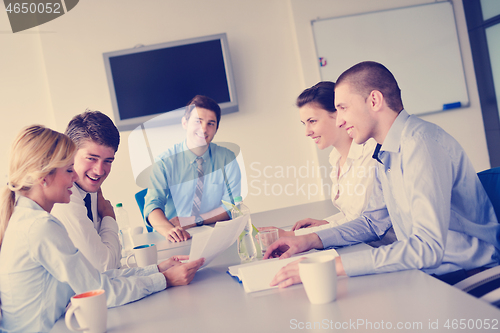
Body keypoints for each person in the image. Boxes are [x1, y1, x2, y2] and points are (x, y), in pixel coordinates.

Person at [264, 61, 500, 287]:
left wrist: (332, 266)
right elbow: (372, 221)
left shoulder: (421, 144)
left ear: (374, 101)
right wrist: (311, 240)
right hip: (428, 270)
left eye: (343, 108)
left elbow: (427, 247)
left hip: (468, 273)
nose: (340, 121)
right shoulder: (385, 150)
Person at [0, 125, 204, 332]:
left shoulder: (28, 219)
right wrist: (165, 280)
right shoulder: (40, 227)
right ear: (43, 177)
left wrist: (157, 270)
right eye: (69, 170)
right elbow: (99, 290)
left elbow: (93, 280)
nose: (74, 177)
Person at [259, 81, 395, 247]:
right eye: (304, 124)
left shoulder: (371, 156)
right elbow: (351, 215)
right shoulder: (336, 157)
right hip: (363, 246)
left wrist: (293, 235)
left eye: (312, 121)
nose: (307, 132)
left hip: (385, 250)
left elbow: (360, 223)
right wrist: (325, 223)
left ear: (338, 114)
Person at [144, 95, 241, 243]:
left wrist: (193, 220)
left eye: (210, 123)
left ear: (216, 128)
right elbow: (152, 206)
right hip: (177, 238)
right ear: (185, 122)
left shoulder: (227, 158)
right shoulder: (164, 162)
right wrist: (171, 231)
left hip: (215, 237)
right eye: (198, 121)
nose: (203, 129)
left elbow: (232, 207)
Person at [51, 110, 122, 272]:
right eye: (92, 158)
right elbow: (104, 268)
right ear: (70, 153)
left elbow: (112, 264)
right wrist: (109, 217)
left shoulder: (90, 188)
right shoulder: (64, 196)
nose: (99, 170)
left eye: (108, 161)